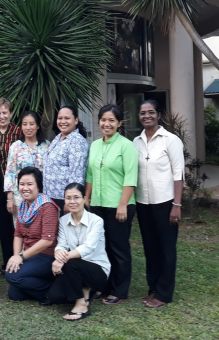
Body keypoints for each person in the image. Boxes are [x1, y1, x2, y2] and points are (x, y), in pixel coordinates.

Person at [133, 100, 184, 308]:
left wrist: (177, 205)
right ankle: (153, 288)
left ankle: (164, 294)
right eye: (143, 113)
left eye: (151, 112)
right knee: (150, 248)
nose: (147, 116)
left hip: (165, 203)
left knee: (166, 249)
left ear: (158, 115)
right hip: (143, 203)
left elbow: (178, 174)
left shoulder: (170, 140)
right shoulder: (136, 141)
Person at [85, 104, 138, 305]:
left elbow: (130, 177)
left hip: (119, 205)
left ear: (119, 124)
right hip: (98, 205)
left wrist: (123, 204)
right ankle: (104, 286)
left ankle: (120, 290)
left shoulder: (127, 146)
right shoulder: (95, 145)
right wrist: (87, 198)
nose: (106, 124)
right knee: (101, 248)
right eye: (103, 120)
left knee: (118, 249)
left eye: (111, 120)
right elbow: (90, 174)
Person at [49, 183, 111, 322]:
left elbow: (88, 248)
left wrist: (61, 260)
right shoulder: (63, 221)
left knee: (70, 262)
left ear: (84, 198)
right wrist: (59, 253)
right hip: (76, 268)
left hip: (97, 270)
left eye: (76, 197)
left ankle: (81, 304)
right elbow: (62, 244)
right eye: (68, 198)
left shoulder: (96, 221)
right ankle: (87, 290)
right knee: (55, 297)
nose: (72, 202)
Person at [5, 167, 59, 305]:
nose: (25, 188)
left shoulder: (48, 206)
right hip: (31, 255)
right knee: (14, 293)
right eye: (22, 184)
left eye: (30, 184)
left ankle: (55, 292)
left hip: (47, 256)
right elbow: (18, 234)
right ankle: (46, 289)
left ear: (38, 186)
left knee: (13, 277)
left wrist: (21, 257)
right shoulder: (23, 206)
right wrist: (16, 257)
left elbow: (47, 240)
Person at [0, 98, 21, 275]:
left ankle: (21, 258)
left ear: (10, 113)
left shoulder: (18, 131)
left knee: (18, 222)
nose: (2, 116)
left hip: (16, 182)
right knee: (4, 224)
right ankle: (7, 261)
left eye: (4, 112)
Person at [4, 110, 49, 223]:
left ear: (38, 126)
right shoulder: (16, 146)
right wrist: (10, 198)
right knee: (22, 231)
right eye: (25, 124)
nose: (28, 127)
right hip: (20, 197)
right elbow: (10, 172)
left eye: (32, 124)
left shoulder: (47, 146)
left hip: (42, 197)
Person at [43, 105, 89, 214]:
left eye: (67, 118)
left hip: (64, 199)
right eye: (60, 118)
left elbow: (77, 173)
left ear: (76, 120)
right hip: (50, 196)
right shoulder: (58, 137)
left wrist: (71, 201)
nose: (63, 121)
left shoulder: (77, 141)